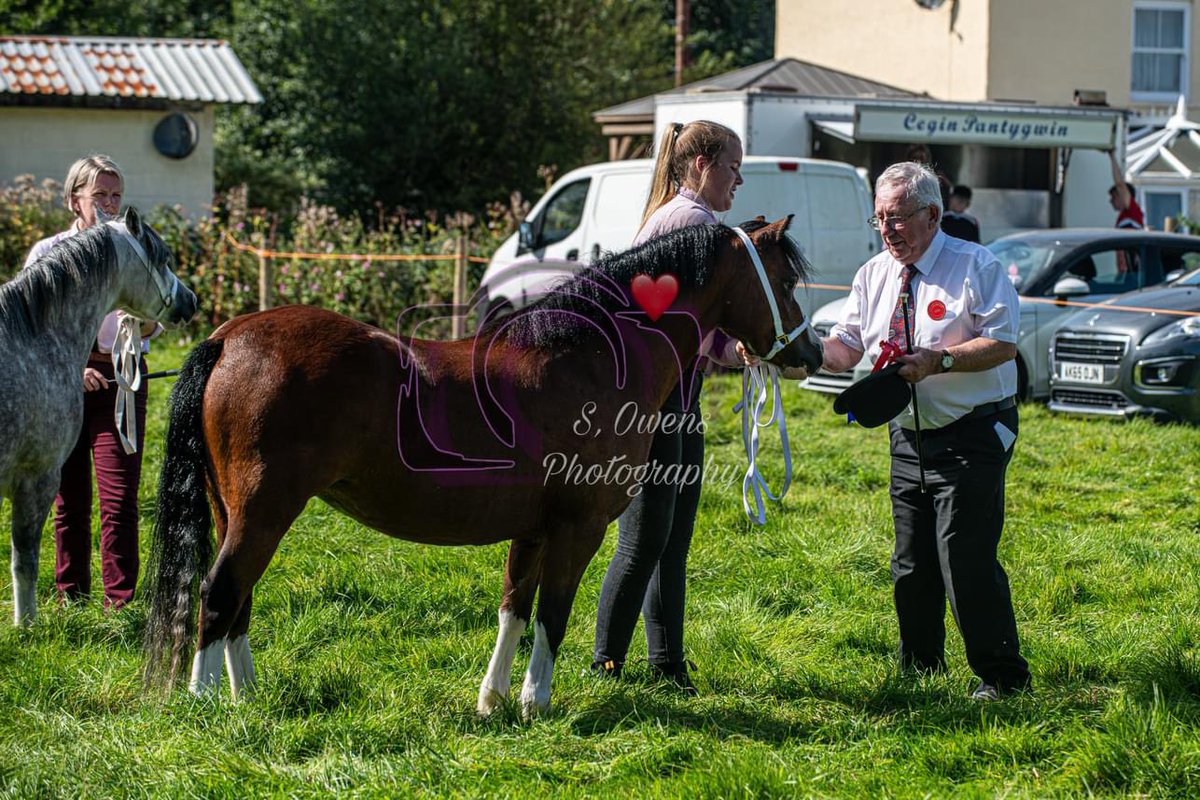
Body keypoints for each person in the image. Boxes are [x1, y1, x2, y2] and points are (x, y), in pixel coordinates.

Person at [819, 161, 1031, 700]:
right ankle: (921, 672)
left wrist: (942, 363)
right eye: (880, 219)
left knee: (963, 556)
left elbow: (1003, 343)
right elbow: (845, 345)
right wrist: (793, 354)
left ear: (932, 215)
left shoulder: (976, 265)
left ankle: (1002, 678)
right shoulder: (873, 273)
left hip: (975, 432)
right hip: (908, 437)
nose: (888, 230)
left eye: (897, 218)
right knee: (911, 562)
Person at [591, 120, 750, 694]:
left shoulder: (692, 220)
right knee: (645, 539)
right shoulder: (692, 222)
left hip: (677, 400)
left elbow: (692, 327)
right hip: (659, 405)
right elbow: (654, 321)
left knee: (669, 540)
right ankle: (607, 662)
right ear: (702, 165)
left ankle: (665, 663)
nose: (739, 180)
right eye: (733, 167)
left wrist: (733, 348)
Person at [24, 154, 160, 610]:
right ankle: (71, 600)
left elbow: (154, 311)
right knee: (70, 499)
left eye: (116, 195)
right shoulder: (48, 253)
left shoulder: (129, 248)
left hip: (122, 380)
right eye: (99, 194)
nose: (109, 203)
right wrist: (71, 369)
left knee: (121, 500)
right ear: (74, 199)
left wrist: (143, 327)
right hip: (63, 387)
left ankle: (119, 604)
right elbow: (29, 329)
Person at [1109, 150, 1144, 230]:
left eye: (1114, 197)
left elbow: (1120, 184)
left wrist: (1112, 156)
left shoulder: (1132, 210)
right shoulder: (1124, 215)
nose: (1111, 201)